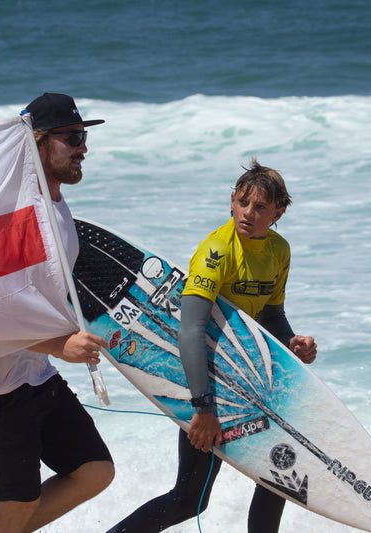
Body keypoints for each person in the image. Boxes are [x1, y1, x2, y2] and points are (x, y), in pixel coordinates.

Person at [108, 159, 317, 533]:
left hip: (249, 380)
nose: (248, 214)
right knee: (189, 499)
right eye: (243, 202)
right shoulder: (216, 251)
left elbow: (271, 316)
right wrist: (202, 407)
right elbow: (190, 330)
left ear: (278, 213)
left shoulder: (279, 251)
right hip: (204, 382)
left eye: (260, 208)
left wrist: (292, 343)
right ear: (232, 201)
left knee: (278, 479)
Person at [0, 93, 115, 533]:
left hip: (35, 372)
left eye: (83, 136)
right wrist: (60, 345)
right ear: (38, 143)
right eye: (71, 138)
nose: (82, 146)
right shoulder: (17, 216)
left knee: (95, 471)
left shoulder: (58, 209)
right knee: (18, 500)